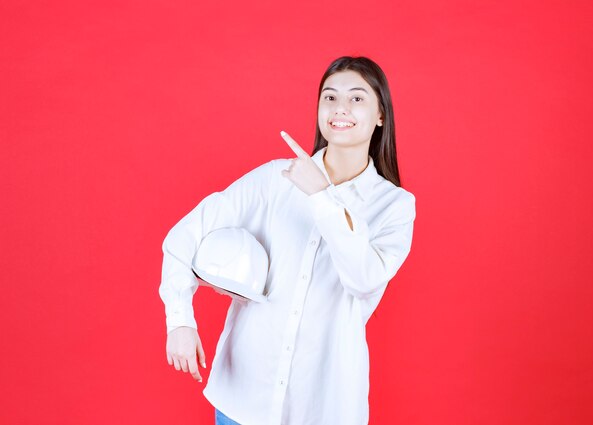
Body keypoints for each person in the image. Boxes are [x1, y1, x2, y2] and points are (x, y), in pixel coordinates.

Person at [159, 56, 416, 425]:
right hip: (243, 397)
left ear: (380, 115)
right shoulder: (272, 180)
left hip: (323, 407)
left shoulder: (394, 207)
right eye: (329, 97)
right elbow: (183, 237)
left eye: (357, 98)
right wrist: (180, 321)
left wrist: (321, 197)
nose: (340, 108)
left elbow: (363, 279)